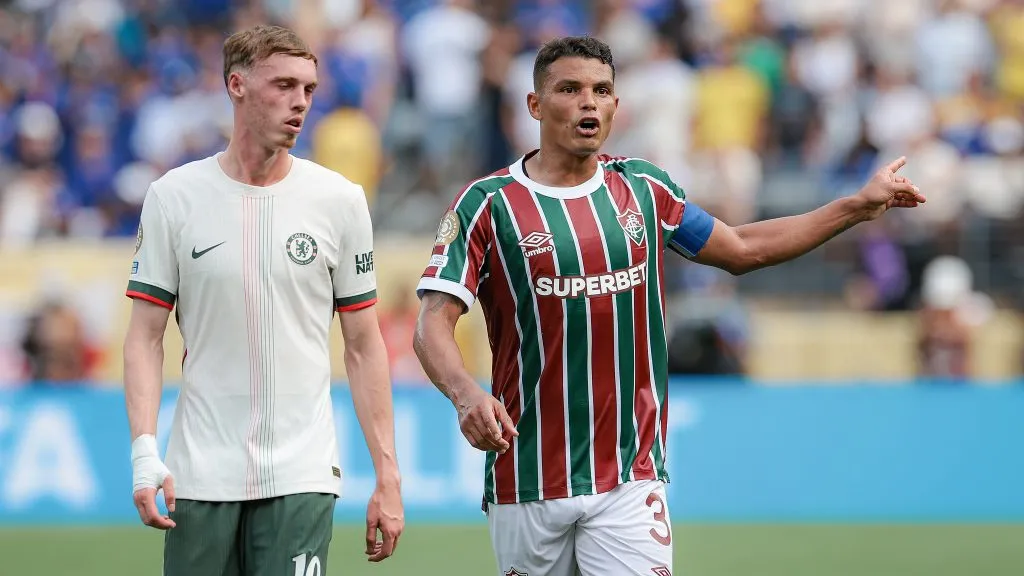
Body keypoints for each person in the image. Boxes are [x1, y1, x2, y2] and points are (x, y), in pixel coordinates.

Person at [412, 36, 924, 576]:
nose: (588, 102)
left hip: (630, 477)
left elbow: (742, 248)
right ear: (535, 105)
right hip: (528, 475)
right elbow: (432, 322)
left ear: (616, 105)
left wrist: (854, 206)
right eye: (570, 89)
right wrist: (465, 393)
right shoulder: (487, 205)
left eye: (601, 91)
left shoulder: (644, 189)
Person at [122, 25, 404, 575]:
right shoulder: (174, 198)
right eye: (283, 85)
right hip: (199, 473)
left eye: (309, 88)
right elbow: (145, 337)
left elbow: (364, 346)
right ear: (237, 85)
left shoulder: (340, 201)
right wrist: (143, 451)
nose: (300, 102)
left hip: (302, 473)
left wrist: (387, 476)